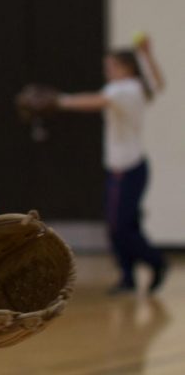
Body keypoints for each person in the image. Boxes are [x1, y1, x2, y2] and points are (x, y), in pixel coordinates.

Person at [55, 38, 167, 294]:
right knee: (124, 225)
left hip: (125, 169)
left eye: (111, 66)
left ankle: (156, 262)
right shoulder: (136, 87)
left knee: (119, 227)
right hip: (129, 167)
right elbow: (157, 84)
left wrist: (59, 101)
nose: (108, 71)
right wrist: (148, 55)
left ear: (126, 67)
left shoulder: (123, 90)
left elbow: (95, 101)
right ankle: (128, 278)